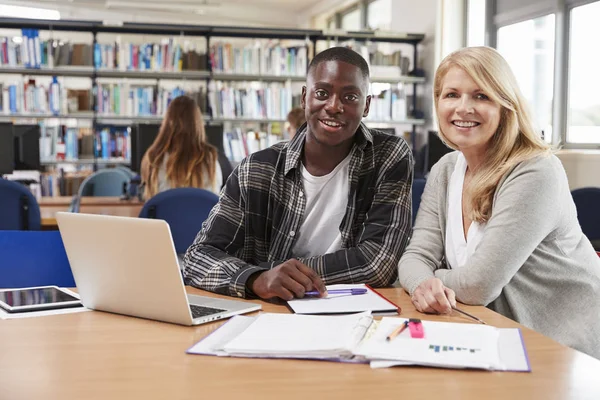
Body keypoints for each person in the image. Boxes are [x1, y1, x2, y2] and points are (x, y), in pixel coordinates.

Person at [398, 46, 600, 359]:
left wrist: (425, 281)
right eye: (452, 94)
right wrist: (423, 279)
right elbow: (416, 255)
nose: (463, 108)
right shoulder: (446, 170)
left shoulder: (535, 171)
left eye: (481, 96)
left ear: (506, 105)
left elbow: (479, 285)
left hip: (562, 348)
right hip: (490, 335)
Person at [184, 46, 413, 301]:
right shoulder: (255, 170)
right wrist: (257, 279)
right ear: (305, 97)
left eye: (350, 97)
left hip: (353, 311)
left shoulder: (387, 155)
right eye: (322, 93)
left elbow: (379, 262)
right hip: (271, 313)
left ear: (367, 105)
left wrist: (282, 275)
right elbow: (197, 257)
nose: (334, 106)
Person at [141, 96, 222, 198]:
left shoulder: (154, 159)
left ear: (166, 122)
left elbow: (148, 201)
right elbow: (215, 200)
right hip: (201, 214)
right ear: (198, 124)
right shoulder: (210, 161)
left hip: (164, 214)